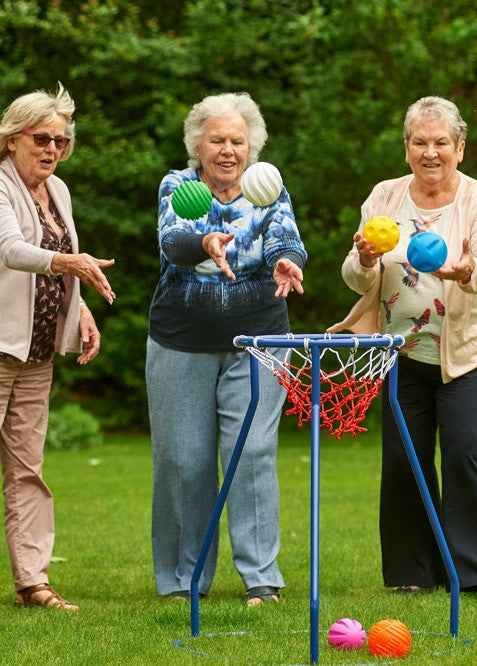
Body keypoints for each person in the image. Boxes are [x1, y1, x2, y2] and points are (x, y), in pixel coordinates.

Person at [0, 83, 116, 614]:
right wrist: (73, 266)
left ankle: (33, 582)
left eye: (62, 141)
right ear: (13, 139)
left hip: (35, 354)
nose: (53, 149)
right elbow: (13, 251)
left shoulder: (59, 191)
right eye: (42, 139)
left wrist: (80, 310)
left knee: (28, 471)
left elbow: (60, 257)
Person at [329, 96, 477, 600]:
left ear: (460, 147)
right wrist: (364, 257)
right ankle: (414, 570)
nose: (431, 153)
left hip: (467, 353)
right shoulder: (385, 197)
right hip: (399, 352)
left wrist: (468, 271)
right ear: (406, 148)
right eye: (420, 143)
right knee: (404, 458)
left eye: (441, 143)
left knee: (465, 453)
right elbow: (354, 277)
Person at [145, 92, 306, 606]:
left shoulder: (269, 188)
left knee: (252, 453)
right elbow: (173, 239)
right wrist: (205, 244)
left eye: (238, 140)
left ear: (252, 146)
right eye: (217, 139)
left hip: (259, 342)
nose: (228, 150)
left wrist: (285, 260)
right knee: (184, 461)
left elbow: (286, 236)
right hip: (181, 342)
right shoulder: (179, 185)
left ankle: (261, 577)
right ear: (198, 144)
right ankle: (182, 580)